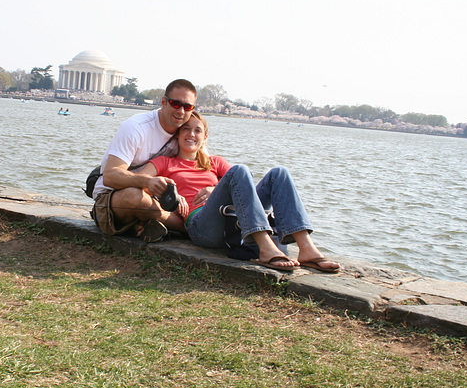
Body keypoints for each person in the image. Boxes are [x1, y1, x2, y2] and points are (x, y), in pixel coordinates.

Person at [138, 111, 341, 272]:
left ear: (205, 137)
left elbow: (245, 187)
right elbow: (142, 181)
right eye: (186, 129)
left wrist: (215, 189)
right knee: (239, 170)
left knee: (279, 174)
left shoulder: (214, 162)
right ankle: (266, 247)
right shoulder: (166, 162)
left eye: (197, 130)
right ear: (178, 134)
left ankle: (306, 249)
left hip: (231, 219)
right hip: (201, 226)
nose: (191, 134)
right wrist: (171, 194)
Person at [91, 79, 214, 242]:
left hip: (159, 199)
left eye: (188, 107)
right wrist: (146, 182)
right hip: (114, 197)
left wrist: (213, 189)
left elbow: (204, 168)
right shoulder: (136, 127)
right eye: (176, 104)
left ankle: (149, 224)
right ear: (164, 102)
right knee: (135, 197)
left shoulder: (185, 133)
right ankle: (187, 229)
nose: (181, 111)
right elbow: (110, 175)